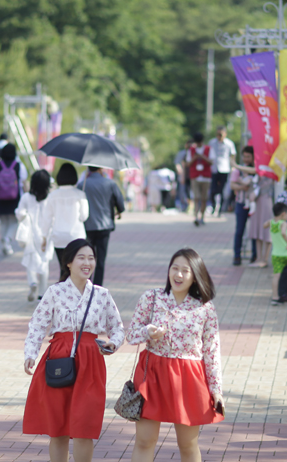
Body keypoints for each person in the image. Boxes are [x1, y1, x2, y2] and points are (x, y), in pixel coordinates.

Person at [22, 239, 125, 462]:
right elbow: (38, 324)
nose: (87, 262)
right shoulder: (54, 292)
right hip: (59, 361)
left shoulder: (102, 294)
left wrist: (112, 344)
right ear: (68, 262)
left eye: (91, 258)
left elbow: (118, 328)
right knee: (58, 428)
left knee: (84, 427)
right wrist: (30, 353)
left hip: (91, 363)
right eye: (81, 257)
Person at [127, 248, 224, 462]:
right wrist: (148, 332)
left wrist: (216, 389)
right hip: (152, 373)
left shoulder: (205, 307)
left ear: (195, 275)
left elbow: (212, 350)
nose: (178, 275)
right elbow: (132, 335)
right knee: (144, 440)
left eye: (185, 271)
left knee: (188, 444)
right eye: (174, 268)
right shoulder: (151, 298)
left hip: (189, 377)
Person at [81, 166, 125, 287]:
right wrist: (118, 211)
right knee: (100, 260)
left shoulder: (83, 185)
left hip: (87, 226)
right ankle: (97, 288)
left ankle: (87, 285)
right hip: (104, 226)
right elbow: (121, 204)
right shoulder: (110, 183)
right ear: (101, 168)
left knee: (87, 258)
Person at [41, 163, 89, 272]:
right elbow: (84, 216)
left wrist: (44, 237)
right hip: (77, 237)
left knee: (64, 269)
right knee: (77, 270)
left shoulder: (53, 195)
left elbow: (47, 218)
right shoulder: (80, 194)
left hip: (59, 237)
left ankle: (63, 288)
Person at [16, 169, 53, 302]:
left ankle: (32, 283)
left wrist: (26, 216)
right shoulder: (50, 198)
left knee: (30, 260)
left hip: (31, 234)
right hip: (45, 235)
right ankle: (42, 293)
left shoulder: (26, 197)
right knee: (44, 262)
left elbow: (20, 213)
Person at [0, 143, 28, 256]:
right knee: (14, 221)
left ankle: (5, 243)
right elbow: (24, 183)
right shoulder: (19, 166)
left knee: (3, 222)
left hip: (0, 198)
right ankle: (7, 240)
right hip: (15, 198)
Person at [264, 203, 287, 306]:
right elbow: (283, 233)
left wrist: (271, 222)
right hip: (286, 253)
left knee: (276, 276)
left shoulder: (271, 222)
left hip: (275, 254)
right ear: (283, 214)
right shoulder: (283, 223)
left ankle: (275, 297)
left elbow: (264, 225)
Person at [229, 146, 258, 266]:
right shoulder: (237, 171)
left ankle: (255, 255)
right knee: (240, 230)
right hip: (241, 203)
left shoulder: (256, 170)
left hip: (254, 204)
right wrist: (242, 187)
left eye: (248, 156)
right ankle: (237, 255)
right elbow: (232, 185)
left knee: (254, 230)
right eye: (244, 156)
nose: (246, 159)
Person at [207, 126, 237, 216]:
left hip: (224, 168)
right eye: (217, 134)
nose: (219, 136)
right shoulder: (212, 142)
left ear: (225, 134)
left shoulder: (229, 143)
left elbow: (232, 155)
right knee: (213, 190)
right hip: (214, 168)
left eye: (220, 134)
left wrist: (233, 166)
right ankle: (213, 205)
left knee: (222, 190)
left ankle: (220, 209)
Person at [187, 132, 213, 226]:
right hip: (195, 176)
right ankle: (196, 217)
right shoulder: (191, 150)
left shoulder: (209, 149)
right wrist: (195, 158)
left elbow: (211, 162)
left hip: (206, 177)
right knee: (196, 198)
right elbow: (188, 163)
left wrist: (202, 157)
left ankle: (202, 217)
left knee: (204, 198)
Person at [173, 141, 190, 212]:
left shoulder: (195, 153)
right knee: (182, 192)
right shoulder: (181, 153)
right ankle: (184, 206)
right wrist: (181, 173)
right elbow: (177, 164)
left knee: (190, 192)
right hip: (183, 175)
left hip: (192, 176)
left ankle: (190, 206)